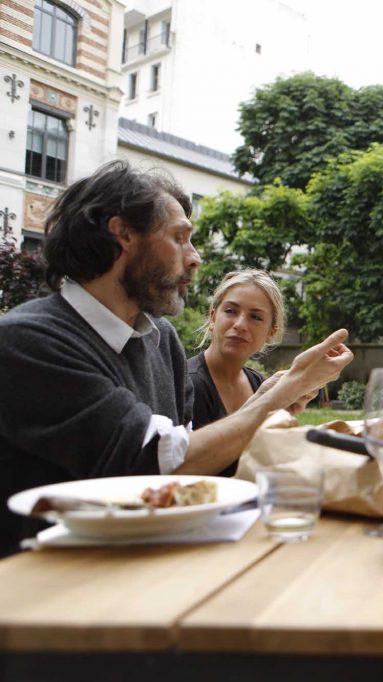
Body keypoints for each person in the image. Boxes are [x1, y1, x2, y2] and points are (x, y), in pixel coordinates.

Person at [0, 161, 353, 554]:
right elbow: (154, 464)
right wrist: (282, 393)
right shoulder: (30, 340)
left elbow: (186, 452)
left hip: (148, 560)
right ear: (123, 235)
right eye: (180, 238)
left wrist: (269, 397)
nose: (195, 258)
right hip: (44, 583)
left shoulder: (160, 338)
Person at [188, 269, 294, 476]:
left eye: (255, 317)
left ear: (271, 332)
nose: (240, 324)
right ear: (212, 316)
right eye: (230, 311)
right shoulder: (190, 384)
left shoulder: (257, 382)